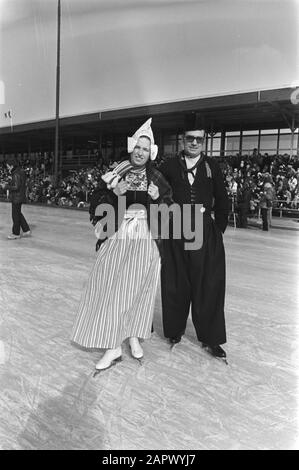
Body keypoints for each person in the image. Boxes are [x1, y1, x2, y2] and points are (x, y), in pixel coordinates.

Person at [71, 118, 173, 375]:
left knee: (138, 289)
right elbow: (96, 203)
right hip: (118, 235)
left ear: (152, 153)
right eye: (137, 147)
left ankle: (134, 334)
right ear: (131, 148)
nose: (140, 152)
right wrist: (114, 195)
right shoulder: (117, 172)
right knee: (113, 289)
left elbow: (171, 211)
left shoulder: (157, 178)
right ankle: (113, 345)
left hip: (146, 240)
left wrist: (157, 198)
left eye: (145, 149)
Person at [158, 114, 229, 361]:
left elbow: (222, 200)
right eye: (190, 139)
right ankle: (175, 331)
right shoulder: (167, 166)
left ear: (204, 141)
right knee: (175, 281)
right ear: (183, 140)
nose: (195, 143)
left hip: (204, 232)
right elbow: (156, 196)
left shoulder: (212, 166)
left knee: (208, 285)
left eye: (199, 139)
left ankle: (211, 338)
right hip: (176, 231)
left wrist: (216, 231)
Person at [4, 156, 31, 239]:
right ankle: (26, 230)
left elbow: (16, 187)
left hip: (16, 197)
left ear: (11, 165)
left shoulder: (15, 173)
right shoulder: (20, 171)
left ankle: (16, 233)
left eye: (8, 166)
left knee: (15, 215)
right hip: (20, 196)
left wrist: (6, 186)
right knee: (18, 213)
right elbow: (19, 183)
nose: (7, 167)